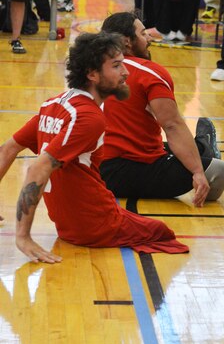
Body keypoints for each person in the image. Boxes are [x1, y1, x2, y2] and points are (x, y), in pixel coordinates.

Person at [0, 32, 189, 262]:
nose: (126, 72)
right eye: (117, 66)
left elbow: (7, 150)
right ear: (92, 74)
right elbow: (36, 170)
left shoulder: (53, 104)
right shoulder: (88, 117)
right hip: (93, 224)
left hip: (69, 223)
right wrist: (23, 236)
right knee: (162, 232)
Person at [99, 11, 224, 202]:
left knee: (176, 148)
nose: (149, 37)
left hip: (98, 169)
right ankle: (205, 150)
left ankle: (202, 146)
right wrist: (198, 172)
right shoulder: (150, 73)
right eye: (143, 34)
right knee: (220, 171)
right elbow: (172, 125)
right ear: (127, 41)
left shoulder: (94, 68)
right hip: (131, 169)